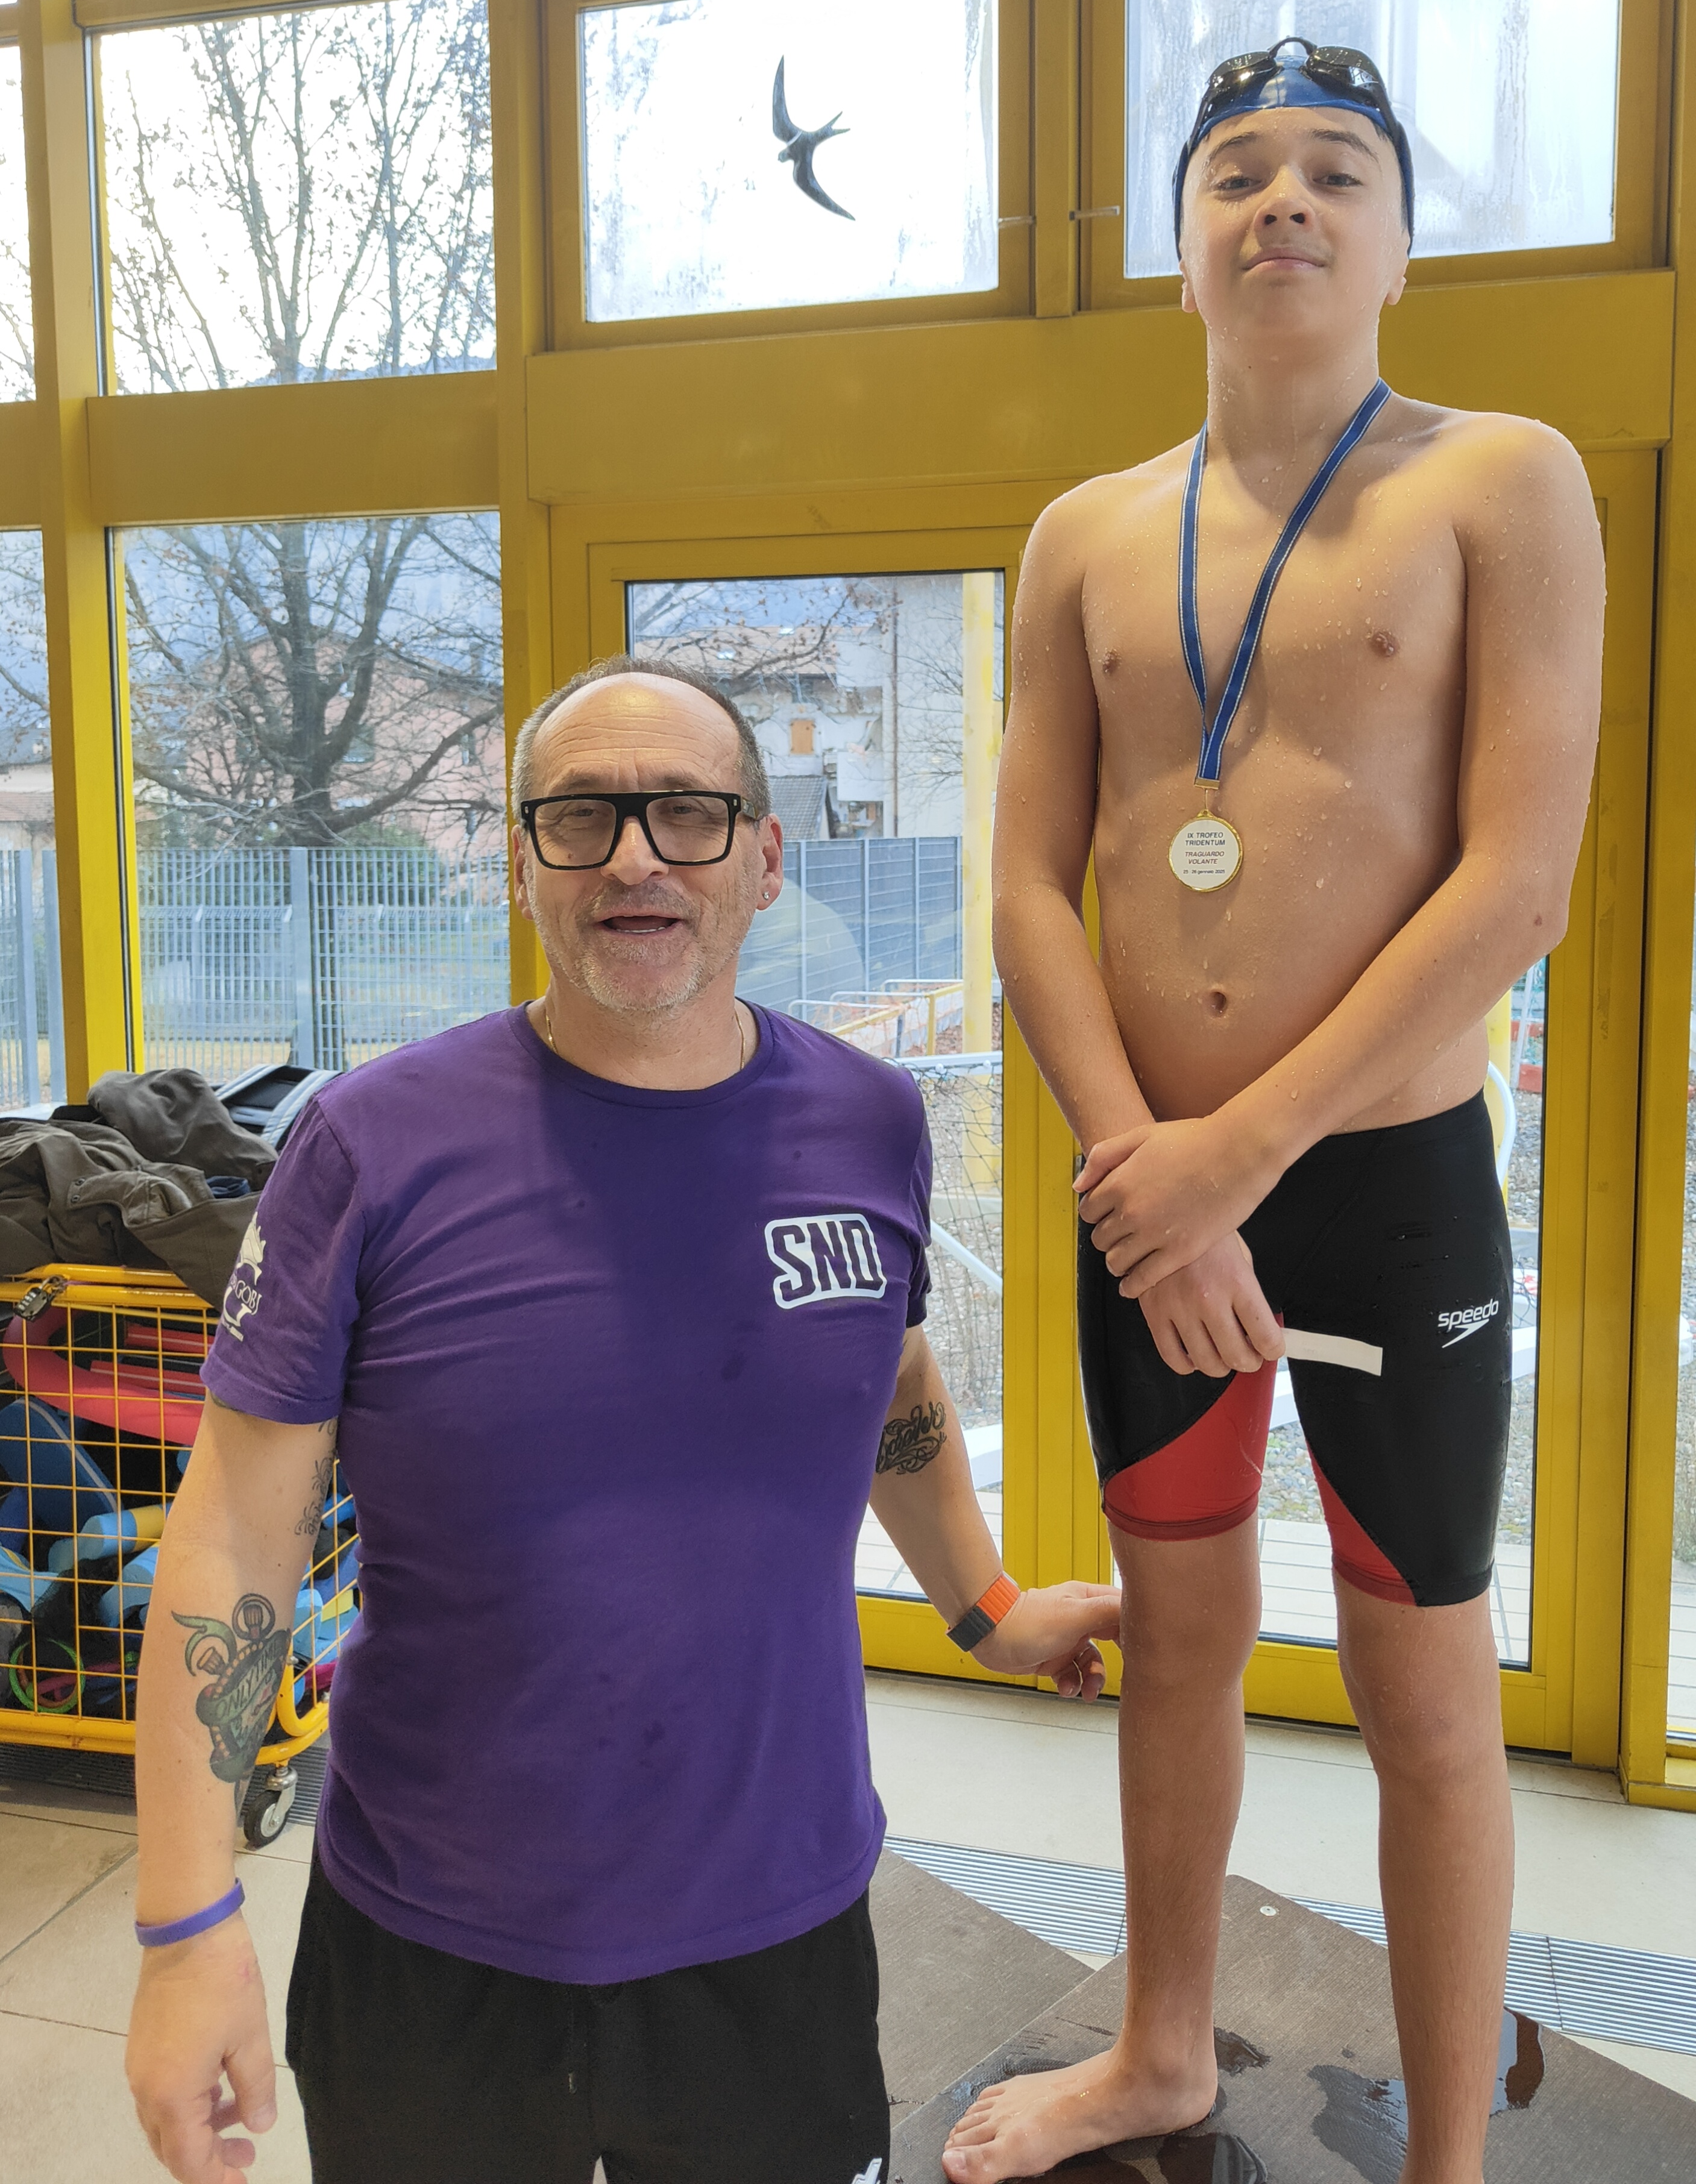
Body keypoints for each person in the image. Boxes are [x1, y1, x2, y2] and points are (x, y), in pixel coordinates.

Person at [124, 655, 1121, 2184]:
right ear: (522, 861)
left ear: (765, 858)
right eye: (582, 815)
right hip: (432, 1944)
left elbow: (888, 1377)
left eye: (688, 812)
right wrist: (186, 1924)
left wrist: (986, 1607)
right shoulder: (372, 1146)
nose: (637, 854)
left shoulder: (870, 1119)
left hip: (775, 1931)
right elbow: (232, 1539)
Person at [944, 40, 1604, 2183]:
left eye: (1336, 171)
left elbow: (1516, 883)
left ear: (1401, 243)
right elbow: (1027, 882)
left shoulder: (1499, 483)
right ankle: (1159, 2049)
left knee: (1426, 1688)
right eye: (1236, 171)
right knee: (1178, 1647)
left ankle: (1447, 2158)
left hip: (1378, 1188)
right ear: (1184, 246)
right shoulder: (1084, 533)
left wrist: (1237, 1155)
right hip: (1144, 1184)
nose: (1284, 200)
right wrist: (1149, 1162)